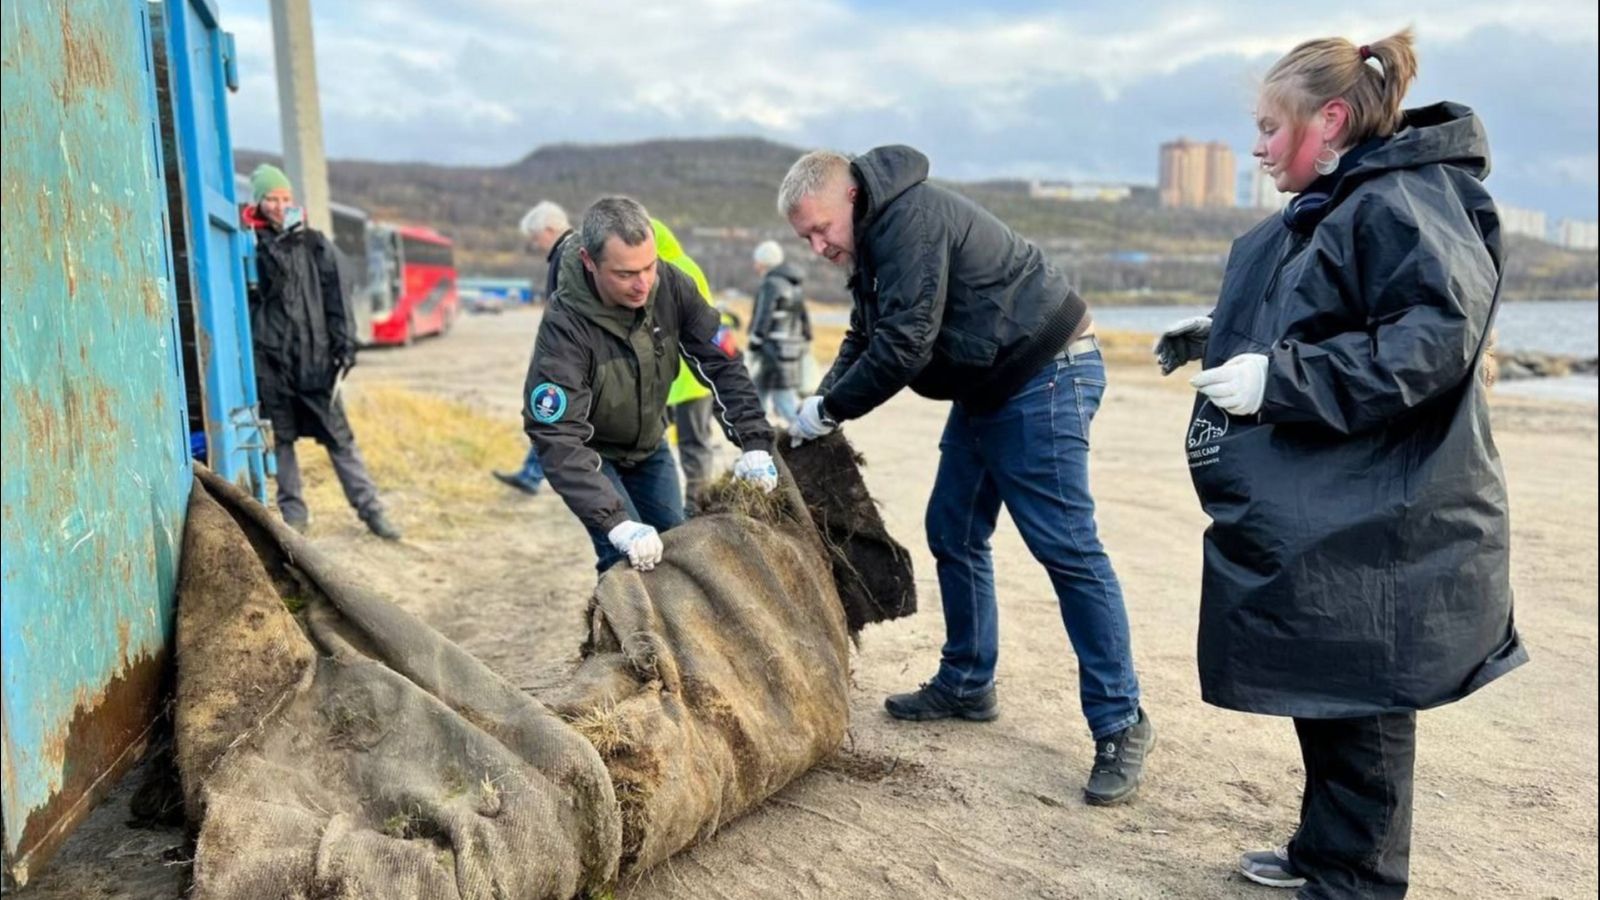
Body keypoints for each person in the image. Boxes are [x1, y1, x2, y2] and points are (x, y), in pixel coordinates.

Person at [1155, 30, 1525, 898]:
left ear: (1330, 119)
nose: (1256, 147)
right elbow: (1331, 310)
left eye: (1268, 127)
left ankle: (1357, 878)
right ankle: (1325, 853)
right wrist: (1224, 338)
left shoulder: (1404, 199)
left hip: (1385, 511)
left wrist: (1280, 377)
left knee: (1363, 701)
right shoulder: (1343, 200)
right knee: (1325, 687)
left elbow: (1430, 342)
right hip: (1335, 504)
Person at [779, 146, 1153, 806]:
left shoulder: (909, 221)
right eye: (804, 236)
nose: (816, 245)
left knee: (1065, 546)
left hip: (1045, 373)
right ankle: (968, 680)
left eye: (819, 228)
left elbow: (903, 345)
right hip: (991, 386)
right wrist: (816, 410)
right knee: (951, 527)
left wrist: (831, 408)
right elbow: (865, 336)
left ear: (851, 197)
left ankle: (1122, 722)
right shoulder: (874, 240)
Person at [521, 197, 777, 573]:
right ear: (590, 263)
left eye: (649, 266)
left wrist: (754, 441)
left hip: (649, 447)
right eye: (625, 274)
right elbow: (555, 433)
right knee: (626, 563)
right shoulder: (565, 326)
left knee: (676, 549)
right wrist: (616, 522)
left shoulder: (672, 286)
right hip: (596, 454)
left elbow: (722, 360)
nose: (643, 284)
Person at [244, 164, 400, 540]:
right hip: (272, 364)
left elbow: (338, 298)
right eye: (271, 199)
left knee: (340, 440)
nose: (280, 206)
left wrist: (345, 344)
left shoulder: (314, 243)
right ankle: (294, 515)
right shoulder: (248, 243)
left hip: (315, 362)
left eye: (285, 199)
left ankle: (372, 510)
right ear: (258, 202)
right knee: (281, 441)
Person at [493, 200, 574, 495]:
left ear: (550, 229)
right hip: (567, 357)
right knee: (554, 419)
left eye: (536, 237)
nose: (535, 244)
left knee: (552, 419)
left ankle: (533, 475)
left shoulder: (567, 255)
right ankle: (531, 474)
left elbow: (566, 312)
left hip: (566, 360)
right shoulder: (570, 252)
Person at [654, 219, 727, 512]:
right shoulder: (681, 265)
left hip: (689, 380)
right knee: (683, 445)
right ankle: (689, 506)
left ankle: (696, 509)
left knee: (693, 447)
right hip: (680, 380)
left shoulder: (675, 270)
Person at [747, 240, 812, 423]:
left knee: (781, 402)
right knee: (766, 397)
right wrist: (805, 341)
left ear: (764, 262)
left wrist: (755, 340)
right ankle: (761, 438)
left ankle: (808, 435)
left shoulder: (770, 284)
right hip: (789, 352)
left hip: (772, 352)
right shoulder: (793, 285)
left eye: (757, 261)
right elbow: (804, 319)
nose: (755, 265)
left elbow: (764, 315)